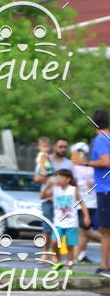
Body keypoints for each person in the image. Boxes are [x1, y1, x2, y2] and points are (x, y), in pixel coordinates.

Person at [41, 169, 90, 271]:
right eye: (56, 177)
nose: (57, 179)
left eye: (60, 177)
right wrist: (47, 185)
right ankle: (58, 261)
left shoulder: (73, 190)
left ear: (68, 179)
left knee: (70, 247)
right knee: (54, 242)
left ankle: (70, 267)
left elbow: (82, 203)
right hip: (58, 222)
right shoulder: (55, 189)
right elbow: (42, 197)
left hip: (71, 223)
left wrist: (86, 216)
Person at [33, 136, 72, 263]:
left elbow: (73, 181)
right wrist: (52, 181)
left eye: (65, 147)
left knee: (59, 228)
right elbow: (37, 178)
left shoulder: (69, 163)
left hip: (62, 200)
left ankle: (56, 255)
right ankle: (44, 253)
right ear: (54, 147)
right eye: (60, 146)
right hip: (48, 198)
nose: (63, 149)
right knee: (47, 228)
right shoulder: (46, 159)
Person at [86, 109, 110, 279]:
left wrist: (85, 162)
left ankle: (104, 266)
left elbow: (105, 162)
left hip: (106, 190)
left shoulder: (100, 139)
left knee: (105, 230)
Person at [71, 142, 101, 263]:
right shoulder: (72, 168)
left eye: (83, 154)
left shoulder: (92, 167)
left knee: (85, 231)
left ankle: (76, 257)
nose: (80, 156)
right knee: (84, 231)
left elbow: (100, 182)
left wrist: (93, 184)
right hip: (80, 204)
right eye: (77, 153)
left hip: (92, 203)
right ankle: (79, 256)